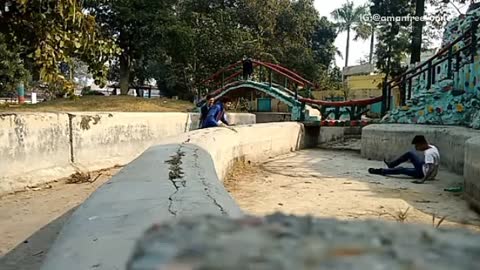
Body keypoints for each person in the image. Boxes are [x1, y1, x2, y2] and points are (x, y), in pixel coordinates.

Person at [368, 135, 440, 184]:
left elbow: (431, 168)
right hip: (424, 167)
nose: (416, 148)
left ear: (422, 144)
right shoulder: (432, 147)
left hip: (422, 173)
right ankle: (391, 164)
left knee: (401, 169)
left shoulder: (428, 153)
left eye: (417, 146)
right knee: (410, 154)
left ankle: (380, 171)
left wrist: (422, 180)